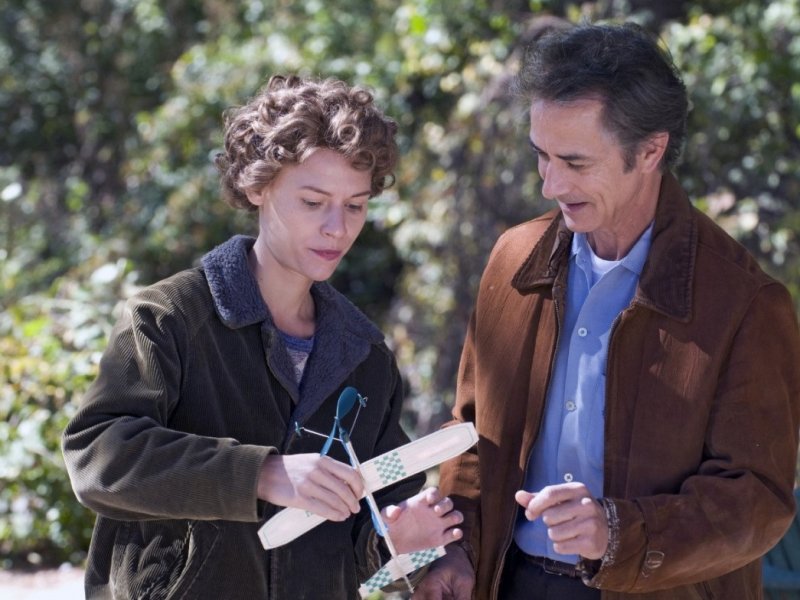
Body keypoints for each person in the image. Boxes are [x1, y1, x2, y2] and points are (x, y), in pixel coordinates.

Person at [414, 22, 800, 600]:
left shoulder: (746, 302)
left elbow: (758, 499)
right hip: (509, 583)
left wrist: (618, 533)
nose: (550, 185)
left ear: (650, 151)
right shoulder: (513, 259)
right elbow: (471, 438)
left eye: (575, 162)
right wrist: (456, 549)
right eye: (541, 156)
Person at [62, 74, 463, 599]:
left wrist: (402, 541)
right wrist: (259, 474)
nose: (337, 228)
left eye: (355, 205)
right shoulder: (169, 318)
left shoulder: (366, 358)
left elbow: (370, 541)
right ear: (257, 187)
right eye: (313, 201)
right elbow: (97, 455)